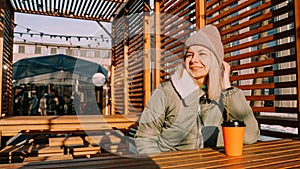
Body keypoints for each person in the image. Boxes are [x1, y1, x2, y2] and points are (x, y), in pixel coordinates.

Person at [134, 24, 260, 154]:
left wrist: (227, 88)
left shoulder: (225, 96)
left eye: (202, 54)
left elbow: (250, 136)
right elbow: (145, 138)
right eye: (189, 55)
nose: (194, 60)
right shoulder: (166, 91)